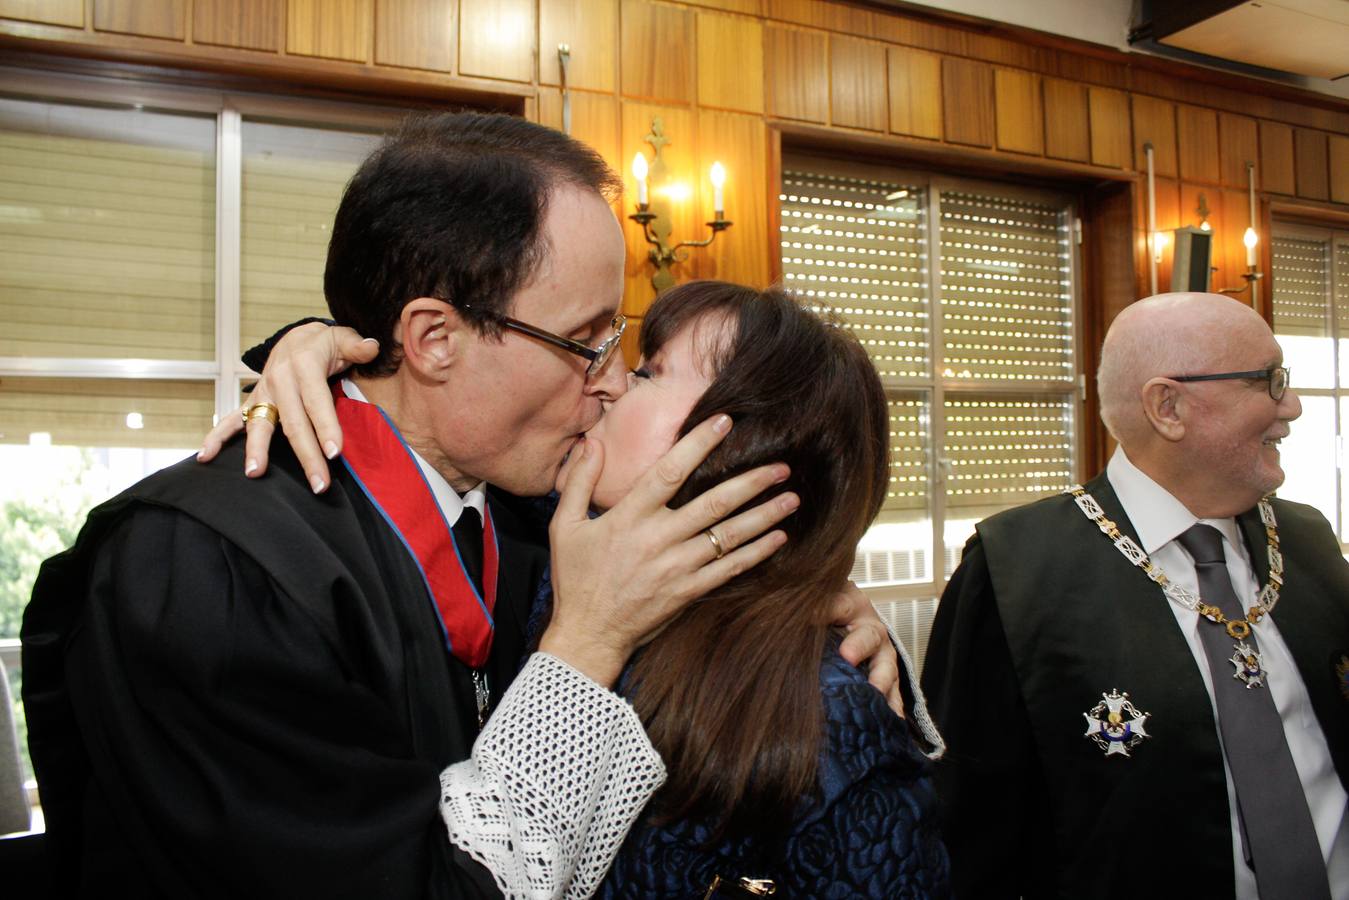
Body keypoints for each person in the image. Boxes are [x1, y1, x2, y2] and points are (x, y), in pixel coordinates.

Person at [20, 113, 805, 899]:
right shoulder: (205, 566)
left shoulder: (521, 512)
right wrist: (588, 641)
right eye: (586, 341)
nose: (611, 379)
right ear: (433, 339)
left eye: (619, 338)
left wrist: (808, 597)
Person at [232, 279, 951, 897]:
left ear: (736, 448)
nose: (606, 382)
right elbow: (424, 432)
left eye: (648, 371)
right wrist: (315, 347)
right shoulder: (542, 531)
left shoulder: (829, 722)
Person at [921, 291, 1349, 900]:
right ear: (1167, 405)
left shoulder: (1307, 541)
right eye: (1269, 381)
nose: (1294, 406)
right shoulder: (1016, 571)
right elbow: (968, 833)